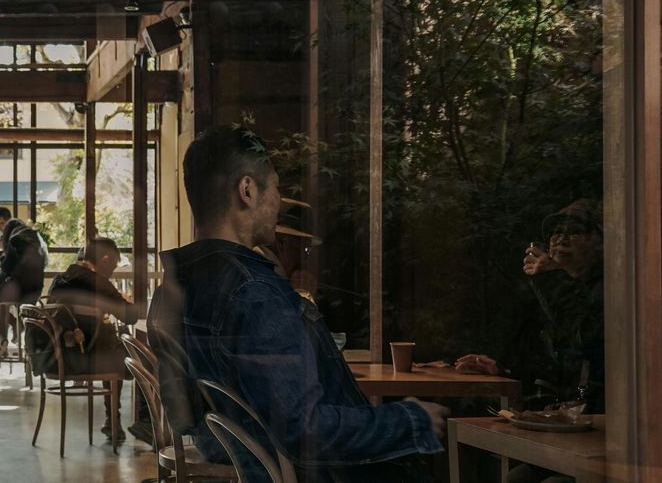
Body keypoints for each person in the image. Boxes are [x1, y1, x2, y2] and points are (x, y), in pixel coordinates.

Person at [149, 125, 447, 482]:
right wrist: (410, 419)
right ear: (247, 190)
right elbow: (304, 430)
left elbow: (182, 415)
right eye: (275, 186)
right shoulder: (256, 294)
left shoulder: (173, 285)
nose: (279, 201)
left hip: (240, 465)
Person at [456, 199, 604, 413]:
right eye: (556, 231)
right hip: (556, 409)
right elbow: (549, 363)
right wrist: (501, 368)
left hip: (595, 415)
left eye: (575, 232)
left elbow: (584, 342)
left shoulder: (608, 290)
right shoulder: (550, 292)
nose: (561, 239)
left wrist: (550, 278)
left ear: (598, 242)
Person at [46, 237, 149, 442]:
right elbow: (129, 316)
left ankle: (113, 421)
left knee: (110, 347)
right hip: (87, 358)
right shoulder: (96, 282)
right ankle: (146, 423)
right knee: (146, 360)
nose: (112, 271)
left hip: (61, 358)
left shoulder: (59, 279)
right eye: (113, 265)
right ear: (105, 259)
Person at [0, 206, 48, 314]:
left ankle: (8, 323)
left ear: (8, 222)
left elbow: (6, 268)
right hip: (36, 290)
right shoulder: (30, 236)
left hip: (20, 292)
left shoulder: (15, 240)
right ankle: (6, 324)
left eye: (2, 224)